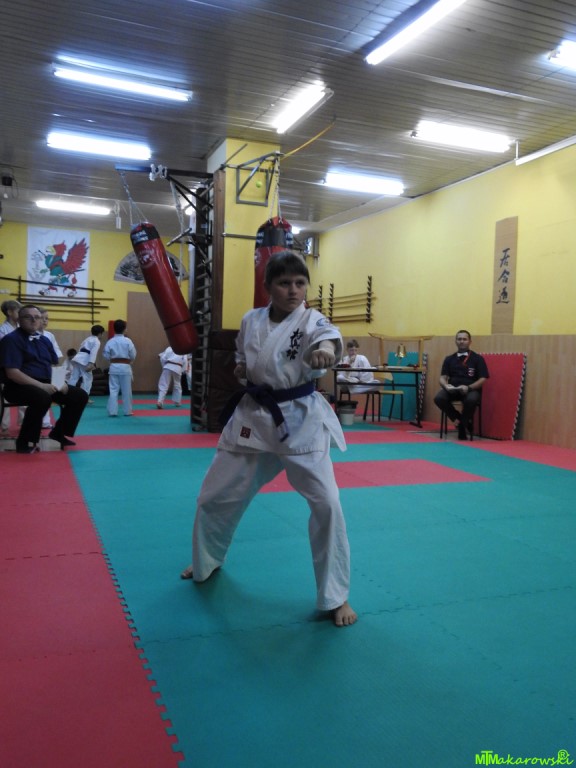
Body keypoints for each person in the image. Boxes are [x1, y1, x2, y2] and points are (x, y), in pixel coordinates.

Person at [180, 250, 357, 627]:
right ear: (268, 287)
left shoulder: (312, 319)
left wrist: (326, 353)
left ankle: (335, 595)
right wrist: (243, 368)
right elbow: (244, 361)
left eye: (300, 283)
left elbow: (328, 339)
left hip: (300, 421)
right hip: (254, 418)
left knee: (327, 503)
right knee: (214, 496)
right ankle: (206, 560)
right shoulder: (251, 320)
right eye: (284, 283)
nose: (293, 290)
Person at [0, 304, 88, 453]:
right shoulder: (11, 340)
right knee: (42, 397)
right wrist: (41, 386)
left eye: (37, 317)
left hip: (46, 383)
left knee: (79, 395)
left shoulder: (44, 340)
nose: (34, 320)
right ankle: (25, 441)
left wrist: (60, 382)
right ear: (19, 320)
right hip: (17, 386)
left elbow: (53, 364)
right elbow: (12, 373)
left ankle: (58, 432)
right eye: (28, 317)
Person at [434, 329, 489, 440]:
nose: (462, 341)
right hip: (453, 390)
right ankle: (461, 421)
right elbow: (442, 378)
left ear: (470, 342)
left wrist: (469, 387)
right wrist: (446, 386)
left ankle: (462, 428)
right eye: (459, 339)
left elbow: (483, 378)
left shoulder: (478, 359)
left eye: (464, 339)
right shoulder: (449, 359)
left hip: (471, 389)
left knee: (471, 400)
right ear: (456, 341)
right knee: (439, 398)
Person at [102, 319, 136, 417]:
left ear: (114, 329)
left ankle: (112, 411)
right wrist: (130, 360)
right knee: (126, 391)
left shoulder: (110, 341)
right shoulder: (128, 341)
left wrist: (112, 360)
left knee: (113, 390)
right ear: (125, 329)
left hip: (114, 367)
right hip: (125, 367)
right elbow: (133, 354)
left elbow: (105, 354)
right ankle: (127, 411)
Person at [68, 325, 105, 400]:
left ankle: (68, 394)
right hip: (84, 360)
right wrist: (91, 363)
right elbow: (93, 353)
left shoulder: (87, 339)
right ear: (100, 333)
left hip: (78, 358)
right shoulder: (97, 341)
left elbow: (80, 348)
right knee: (87, 379)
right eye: (102, 333)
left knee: (74, 377)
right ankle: (84, 397)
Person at [0, 300, 21, 432]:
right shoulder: (2, 330)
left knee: (26, 394)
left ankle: (24, 422)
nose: (21, 314)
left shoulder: (22, 328)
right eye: (18, 311)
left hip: (22, 366)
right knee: (3, 398)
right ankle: (4, 425)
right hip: (5, 367)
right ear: (9, 312)